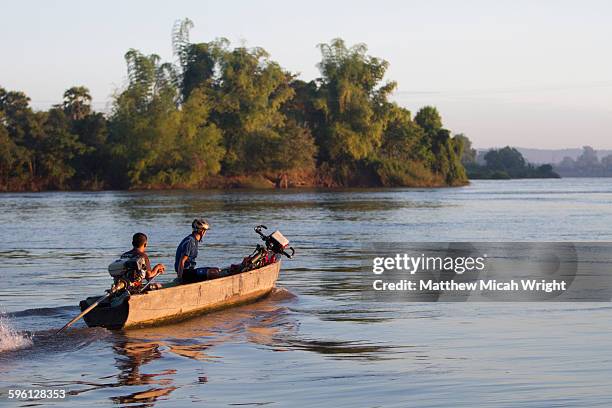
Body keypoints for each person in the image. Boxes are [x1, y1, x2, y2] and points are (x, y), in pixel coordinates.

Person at [175, 219, 220, 283]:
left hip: (190, 271)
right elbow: (182, 260)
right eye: (205, 231)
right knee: (214, 272)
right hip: (186, 273)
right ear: (202, 231)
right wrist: (179, 278)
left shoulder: (194, 240)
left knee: (217, 269)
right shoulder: (190, 241)